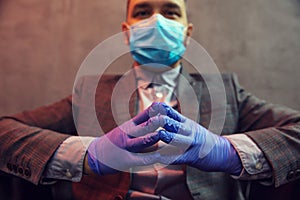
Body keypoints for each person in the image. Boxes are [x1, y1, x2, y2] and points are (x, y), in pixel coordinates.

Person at [0, 0, 300, 199]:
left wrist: (227, 152)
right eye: (143, 12)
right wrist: (88, 155)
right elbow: (5, 131)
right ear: (127, 34)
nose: (157, 20)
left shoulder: (226, 91)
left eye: (170, 11)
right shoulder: (91, 92)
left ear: (186, 34)